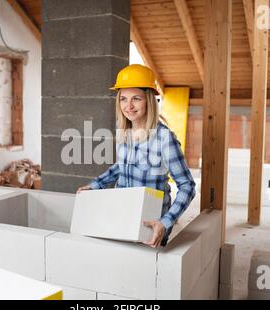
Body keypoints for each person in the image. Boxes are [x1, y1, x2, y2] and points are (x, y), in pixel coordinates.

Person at [77, 64, 196, 248]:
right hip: (123, 212)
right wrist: (95, 185)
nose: (128, 106)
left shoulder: (164, 138)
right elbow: (122, 165)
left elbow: (187, 186)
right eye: (123, 99)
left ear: (149, 100)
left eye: (136, 99)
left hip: (150, 222)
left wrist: (165, 223)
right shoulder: (124, 129)